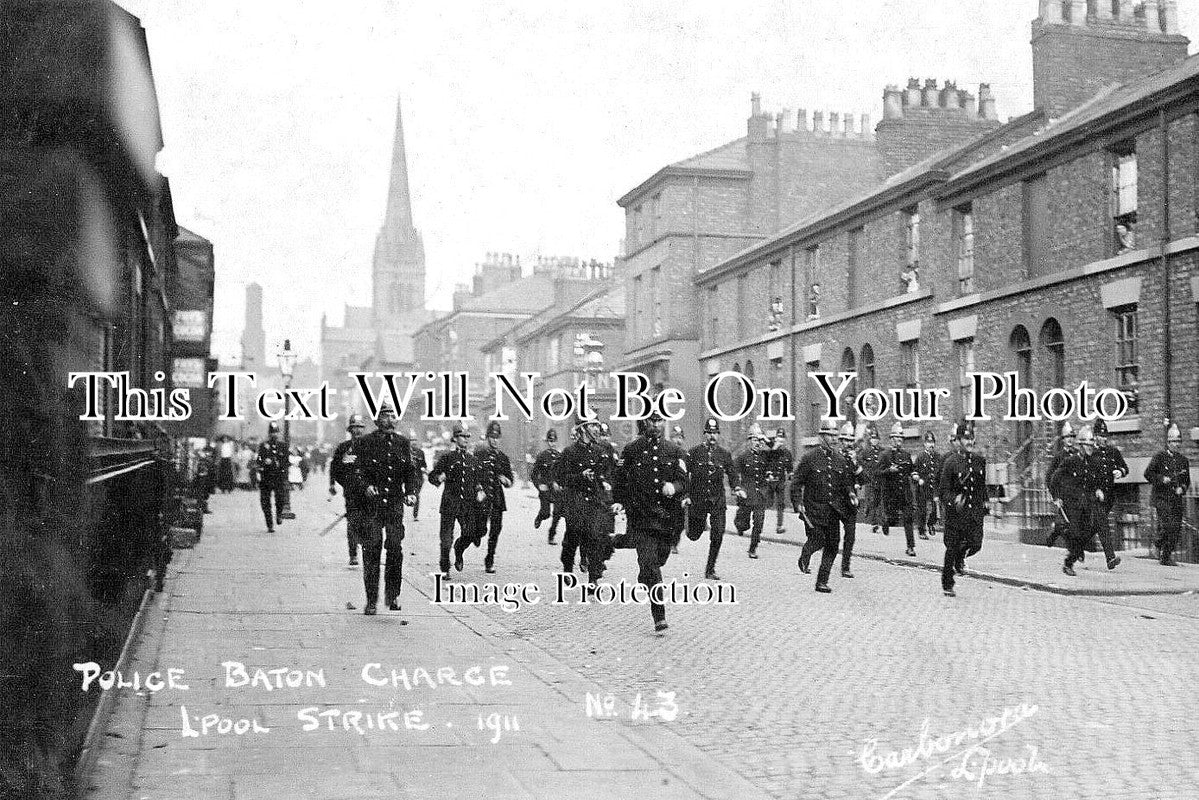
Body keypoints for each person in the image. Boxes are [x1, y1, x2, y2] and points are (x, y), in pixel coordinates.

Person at [613, 410, 688, 633]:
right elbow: (620, 480)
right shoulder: (632, 450)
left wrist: (673, 487)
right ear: (645, 422)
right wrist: (619, 502)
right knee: (651, 566)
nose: (656, 424)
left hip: (667, 521)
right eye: (652, 420)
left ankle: (645, 574)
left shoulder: (674, 451)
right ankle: (659, 616)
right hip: (641, 519)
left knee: (658, 561)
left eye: (659, 420)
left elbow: (684, 481)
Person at [353, 404, 418, 615]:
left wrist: (411, 492)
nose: (391, 420)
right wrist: (365, 486)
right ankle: (371, 599)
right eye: (386, 416)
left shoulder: (402, 443)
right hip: (372, 506)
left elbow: (410, 472)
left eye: (393, 416)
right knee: (371, 550)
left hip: (394, 505)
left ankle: (392, 595)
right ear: (377, 420)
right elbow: (358, 472)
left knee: (395, 549)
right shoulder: (366, 442)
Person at [791, 419, 856, 593]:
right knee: (818, 539)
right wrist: (797, 503)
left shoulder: (840, 459)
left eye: (835, 436)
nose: (834, 439)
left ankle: (822, 582)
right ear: (822, 437)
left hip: (833, 510)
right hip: (813, 509)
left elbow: (845, 482)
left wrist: (850, 493)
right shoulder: (810, 458)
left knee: (833, 545)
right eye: (830, 435)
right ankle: (805, 554)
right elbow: (796, 482)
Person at [1048, 424, 1119, 577]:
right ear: (1080, 445)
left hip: (1088, 504)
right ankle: (1068, 563)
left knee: (1086, 534)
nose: (1090, 447)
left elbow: (1098, 480)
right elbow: (1054, 479)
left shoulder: (1093, 462)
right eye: (1087, 445)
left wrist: (1099, 489)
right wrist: (1056, 497)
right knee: (1077, 536)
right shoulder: (1070, 461)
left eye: (1091, 444)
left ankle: (1067, 544)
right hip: (1072, 505)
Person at [554, 411, 616, 583]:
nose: (597, 429)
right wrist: (580, 476)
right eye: (592, 426)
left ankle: (593, 579)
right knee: (572, 539)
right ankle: (567, 568)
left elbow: (607, 475)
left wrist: (606, 485)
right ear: (582, 429)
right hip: (575, 502)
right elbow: (561, 478)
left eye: (597, 425)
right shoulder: (569, 452)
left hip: (594, 502)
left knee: (595, 539)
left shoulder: (600, 452)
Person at [429, 425, 489, 579]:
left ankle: (459, 549)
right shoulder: (447, 458)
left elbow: (477, 480)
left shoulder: (472, 460)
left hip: (467, 505)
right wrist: (438, 478)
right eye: (463, 436)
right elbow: (432, 476)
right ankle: (445, 568)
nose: (466, 439)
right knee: (445, 539)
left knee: (470, 533)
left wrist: (479, 489)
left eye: (468, 437)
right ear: (455, 438)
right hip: (449, 503)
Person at [937, 420, 987, 596]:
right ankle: (947, 583)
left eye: (972, 437)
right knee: (951, 548)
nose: (970, 442)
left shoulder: (980, 461)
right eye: (966, 438)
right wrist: (954, 499)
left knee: (976, 544)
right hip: (956, 515)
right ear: (958, 440)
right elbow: (943, 491)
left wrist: (985, 501)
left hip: (974, 513)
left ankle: (960, 557)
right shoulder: (950, 462)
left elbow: (982, 486)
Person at [686, 418, 736, 580]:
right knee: (694, 534)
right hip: (698, 500)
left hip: (717, 501)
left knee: (718, 534)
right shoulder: (694, 453)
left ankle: (710, 568)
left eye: (715, 433)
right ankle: (689, 523)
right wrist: (686, 496)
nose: (712, 436)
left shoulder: (724, 454)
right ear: (705, 434)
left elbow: (732, 474)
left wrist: (737, 488)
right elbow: (683, 475)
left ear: (718, 435)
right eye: (709, 433)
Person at [1145, 423, 1191, 567]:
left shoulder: (1183, 461)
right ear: (1168, 442)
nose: (1175, 444)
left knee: (1176, 528)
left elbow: (1186, 481)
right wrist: (1161, 479)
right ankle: (1157, 544)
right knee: (1166, 526)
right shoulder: (1159, 457)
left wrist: (1182, 489)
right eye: (1172, 442)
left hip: (1175, 499)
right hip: (1161, 498)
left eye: (1177, 442)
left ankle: (1166, 556)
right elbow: (1148, 474)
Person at [329, 414, 368, 566]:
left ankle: (366, 549)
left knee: (367, 522)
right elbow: (335, 468)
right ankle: (353, 554)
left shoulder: (370, 446)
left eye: (360, 427)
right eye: (354, 428)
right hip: (351, 492)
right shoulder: (344, 448)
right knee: (352, 523)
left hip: (368, 492)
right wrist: (337, 483)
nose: (357, 430)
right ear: (350, 430)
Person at [475, 421, 514, 574]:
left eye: (497, 437)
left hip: (497, 499)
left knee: (496, 530)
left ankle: (489, 560)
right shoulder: (479, 455)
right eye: (492, 437)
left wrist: (506, 480)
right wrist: (478, 488)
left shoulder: (503, 458)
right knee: (481, 529)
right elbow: (474, 475)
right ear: (488, 438)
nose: (494, 440)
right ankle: (477, 534)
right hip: (483, 498)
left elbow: (510, 480)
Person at [875, 422, 918, 556]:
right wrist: (889, 470)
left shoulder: (906, 454)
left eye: (901, 439)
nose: (899, 441)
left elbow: (912, 469)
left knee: (908, 519)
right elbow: (876, 472)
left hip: (904, 493)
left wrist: (914, 474)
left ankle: (910, 547)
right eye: (897, 439)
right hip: (891, 493)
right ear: (892, 439)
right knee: (892, 518)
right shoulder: (885, 455)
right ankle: (885, 522)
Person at [1090, 418, 1129, 555]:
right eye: (1101, 436)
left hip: (1109, 497)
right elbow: (1085, 477)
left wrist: (1120, 471)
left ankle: (1077, 545)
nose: (1104, 439)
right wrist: (1095, 489)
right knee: (1103, 524)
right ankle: (1110, 557)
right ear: (1095, 436)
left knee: (1096, 526)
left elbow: (1125, 468)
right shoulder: (1089, 454)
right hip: (1094, 497)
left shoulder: (1113, 452)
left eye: (1105, 436)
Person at [733, 426, 771, 558]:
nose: (757, 443)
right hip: (747, 494)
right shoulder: (743, 457)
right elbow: (733, 473)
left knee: (759, 522)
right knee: (743, 523)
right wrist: (738, 488)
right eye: (754, 440)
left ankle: (752, 549)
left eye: (758, 440)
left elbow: (779, 453)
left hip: (760, 494)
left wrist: (766, 439)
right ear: (749, 441)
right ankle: (739, 524)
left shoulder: (765, 456)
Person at [837, 421, 861, 578]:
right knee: (832, 537)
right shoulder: (835, 456)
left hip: (850, 503)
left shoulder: (855, 458)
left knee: (850, 536)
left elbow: (865, 478)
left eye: (851, 440)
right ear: (841, 441)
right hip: (835, 502)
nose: (849, 443)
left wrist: (855, 464)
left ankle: (845, 566)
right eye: (846, 440)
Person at [531, 429, 564, 545]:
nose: (552, 443)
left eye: (554, 441)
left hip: (556, 489)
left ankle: (551, 535)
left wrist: (561, 485)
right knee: (546, 513)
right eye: (550, 441)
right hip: (545, 489)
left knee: (557, 513)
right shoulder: (542, 456)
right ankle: (539, 517)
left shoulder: (560, 456)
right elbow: (534, 474)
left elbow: (563, 473)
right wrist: (539, 485)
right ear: (547, 442)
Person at [255, 422, 289, 532]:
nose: (274, 435)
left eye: (276, 433)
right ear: (269, 434)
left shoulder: (283, 446)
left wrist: (284, 474)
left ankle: (279, 514)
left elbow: (286, 462)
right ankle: (269, 524)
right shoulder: (263, 446)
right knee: (265, 502)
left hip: (278, 477)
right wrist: (265, 462)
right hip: (266, 476)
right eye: (272, 433)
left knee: (280, 499)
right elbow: (259, 460)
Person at [913, 431, 943, 540]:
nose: (931, 445)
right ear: (925, 444)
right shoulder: (920, 457)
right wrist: (918, 478)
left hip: (934, 487)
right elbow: (914, 471)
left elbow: (941, 471)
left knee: (935, 508)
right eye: (928, 442)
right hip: (922, 487)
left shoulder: (938, 457)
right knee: (922, 510)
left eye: (932, 442)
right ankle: (921, 531)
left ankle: (931, 523)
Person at [766, 428, 794, 535]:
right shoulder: (771, 451)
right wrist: (768, 473)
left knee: (780, 504)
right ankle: (760, 521)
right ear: (775, 438)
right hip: (771, 481)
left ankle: (779, 526)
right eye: (778, 438)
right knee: (768, 503)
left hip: (781, 481)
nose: (780, 441)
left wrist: (791, 474)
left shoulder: (787, 453)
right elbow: (766, 464)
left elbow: (789, 467)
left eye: (782, 438)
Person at [857, 424, 883, 533]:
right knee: (872, 501)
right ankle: (874, 523)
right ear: (870, 440)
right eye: (873, 438)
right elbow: (859, 460)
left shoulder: (883, 451)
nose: (874, 441)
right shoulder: (866, 451)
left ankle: (878, 520)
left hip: (880, 480)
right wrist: (865, 469)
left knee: (879, 501)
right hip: (870, 480)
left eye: (876, 439)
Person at [667, 426, 688, 554]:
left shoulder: (685, 455)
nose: (678, 440)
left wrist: (687, 494)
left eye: (680, 438)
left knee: (679, 522)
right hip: (666, 491)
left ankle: (674, 543)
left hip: (680, 493)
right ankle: (667, 542)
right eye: (675, 437)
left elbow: (689, 476)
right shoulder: (665, 453)